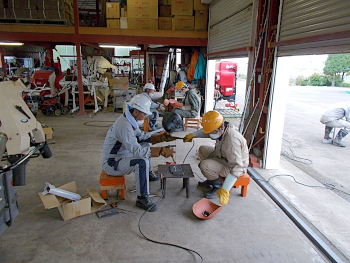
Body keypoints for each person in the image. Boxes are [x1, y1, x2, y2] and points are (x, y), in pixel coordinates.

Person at [101, 94, 175, 212]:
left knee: (145, 145)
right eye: (144, 114)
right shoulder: (124, 125)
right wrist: (161, 151)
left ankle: (147, 174)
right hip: (112, 163)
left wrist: (161, 138)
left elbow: (142, 138)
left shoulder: (130, 120)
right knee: (141, 162)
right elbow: (137, 151)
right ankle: (142, 198)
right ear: (136, 111)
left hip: (123, 155)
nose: (145, 116)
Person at [183, 111, 249, 205]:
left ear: (222, 127)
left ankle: (217, 185)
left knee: (204, 165)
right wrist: (193, 135)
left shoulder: (232, 142)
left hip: (233, 166)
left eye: (212, 132)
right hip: (222, 155)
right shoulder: (221, 129)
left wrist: (226, 188)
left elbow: (237, 166)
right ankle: (212, 178)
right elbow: (207, 132)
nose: (210, 135)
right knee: (202, 149)